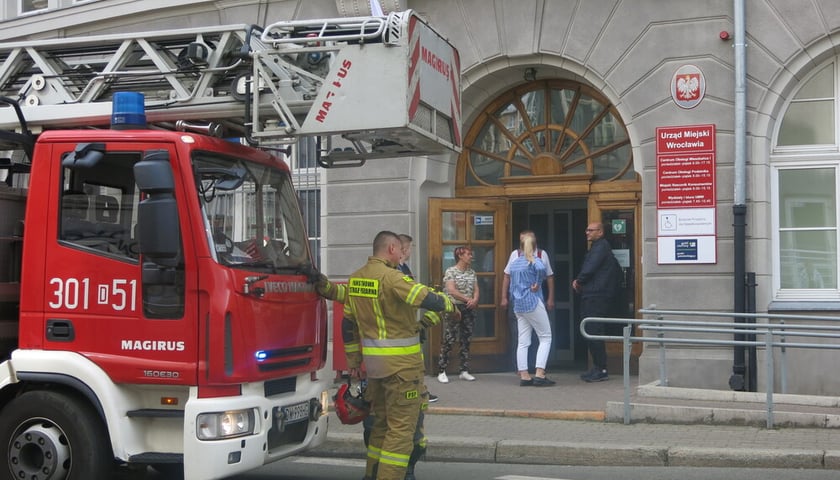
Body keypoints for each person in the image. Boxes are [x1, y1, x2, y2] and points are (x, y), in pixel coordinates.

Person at [341, 230, 459, 480]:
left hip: (374, 371)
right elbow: (423, 297)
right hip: (402, 371)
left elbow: (347, 325)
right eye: (401, 250)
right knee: (401, 435)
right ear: (392, 249)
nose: (402, 255)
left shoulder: (356, 279)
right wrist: (448, 303)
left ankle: (371, 475)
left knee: (380, 429)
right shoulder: (392, 277)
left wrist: (353, 361)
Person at [572, 222, 622, 383]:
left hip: (596, 295)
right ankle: (598, 367)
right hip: (594, 294)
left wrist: (579, 281)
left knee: (593, 330)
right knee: (590, 330)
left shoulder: (601, 247)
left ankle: (601, 369)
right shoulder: (599, 247)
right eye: (586, 229)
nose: (587, 232)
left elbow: (589, 268)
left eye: (590, 230)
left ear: (600, 232)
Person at [500, 230, 555, 370]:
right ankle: (539, 372)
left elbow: (509, 276)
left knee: (522, 341)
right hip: (533, 301)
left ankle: (523, 372)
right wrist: (537, 281)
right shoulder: (536, 260)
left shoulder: (516, 261)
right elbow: (543, 273)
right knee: (545, 337)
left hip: (518, 303)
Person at [397, 234, 439, 403]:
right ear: (404, 249)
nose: (411, 251)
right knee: (409, 364)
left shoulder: (404, 268)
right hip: (402, 326)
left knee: (417, 361)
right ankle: (417, 393)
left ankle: (421, 392)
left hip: (410, 323)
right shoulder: (396, 271)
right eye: (411, 248)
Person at [437, 245, 479, 383]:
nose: (470, 256)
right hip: (454, 307)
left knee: (466, 339)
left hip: (469, 308)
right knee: (450, 338)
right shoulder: (451, 271)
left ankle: (464, 370)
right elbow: (451, 290)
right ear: (460, 256)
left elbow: (476, 289)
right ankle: (442, 370)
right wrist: (468, 299)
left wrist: (475, 300)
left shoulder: (472, 272)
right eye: (468, 254)